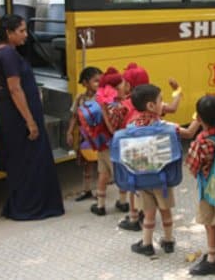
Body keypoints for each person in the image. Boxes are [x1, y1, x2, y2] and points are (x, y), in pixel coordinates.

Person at [0, 14, 64, 220]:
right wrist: (30, 122)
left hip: (13, 113)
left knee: (21, 160)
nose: (26, 35)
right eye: (21, 31)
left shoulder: (3, 52)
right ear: (8, 33)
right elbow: (15, 90)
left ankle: (22, 204)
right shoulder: (9, 56)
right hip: (19, 115)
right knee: (29, 159)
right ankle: (30, 207)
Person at [128, 84, 199, 256]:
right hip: (163, 180)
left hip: (142, 180)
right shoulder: (168, 127)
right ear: (151, 106)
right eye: (161, 100)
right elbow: (189, 133)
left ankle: (146, 244)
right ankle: (168, 241)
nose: (163, 103)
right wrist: (198, 116)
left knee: (149, 214)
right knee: (166, 212)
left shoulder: (130, 126)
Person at [118, 63, 184, 231]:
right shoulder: (155, 110)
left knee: (136, 190)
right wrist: (178, 92)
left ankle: (134, 218)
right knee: (164, 207)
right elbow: (174, 109)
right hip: (159, 168)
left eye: (125, 82)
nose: (122, 86)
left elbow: (116, 127)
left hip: (137, 160)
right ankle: (167, 239)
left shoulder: (127, 105)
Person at [185, 95, 215, 275]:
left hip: (208, 190)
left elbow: (192, 167)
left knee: (210, 223)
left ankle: (211, 260)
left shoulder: (201, 141)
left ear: (199, 119)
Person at [90, 67, 129, 216]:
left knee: (103, 174)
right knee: (120, 174)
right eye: (122, 84)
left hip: (102, 143)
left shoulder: (101, 102)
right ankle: (123, 202)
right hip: (115, 145)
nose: (125, 86)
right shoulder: (116, 106)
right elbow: (114, 128)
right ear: (115, 87)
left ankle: (100, 205)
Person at [66, 66, 102, 202]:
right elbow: (75, 116)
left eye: (100, 81)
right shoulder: (80, 98)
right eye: (96, 81)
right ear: (85, 83)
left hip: (99, 135)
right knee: (87, 163)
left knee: (101, 164)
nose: (99, 84)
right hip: (85, 136)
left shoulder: (101, 98)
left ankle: (100, 190)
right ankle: (87, 189)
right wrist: (69, 132)